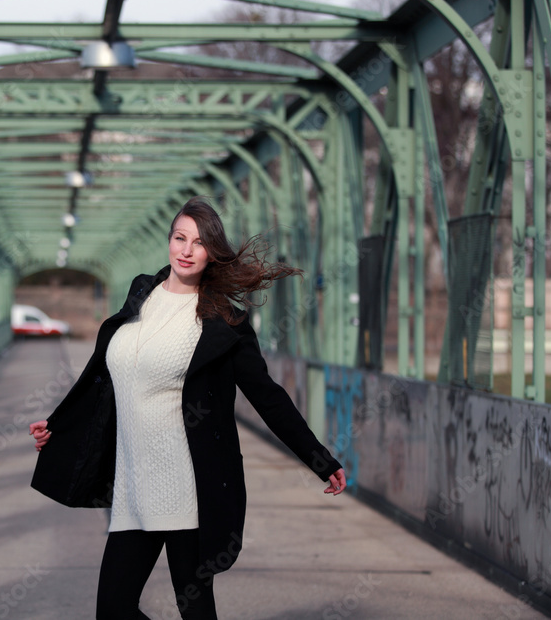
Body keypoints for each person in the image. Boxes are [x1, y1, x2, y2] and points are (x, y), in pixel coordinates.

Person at [29, 196, 347, 620]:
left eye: (199, 243)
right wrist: (59, 426)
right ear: (169, 241)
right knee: (114, 610)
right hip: (133, 487)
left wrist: (320, 459)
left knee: (194, 609)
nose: (186, 250)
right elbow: (106, 378)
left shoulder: (224, 322)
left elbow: (267, 397)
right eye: (180, 238)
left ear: (212, 253)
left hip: (189, 489)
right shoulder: (141, 294)